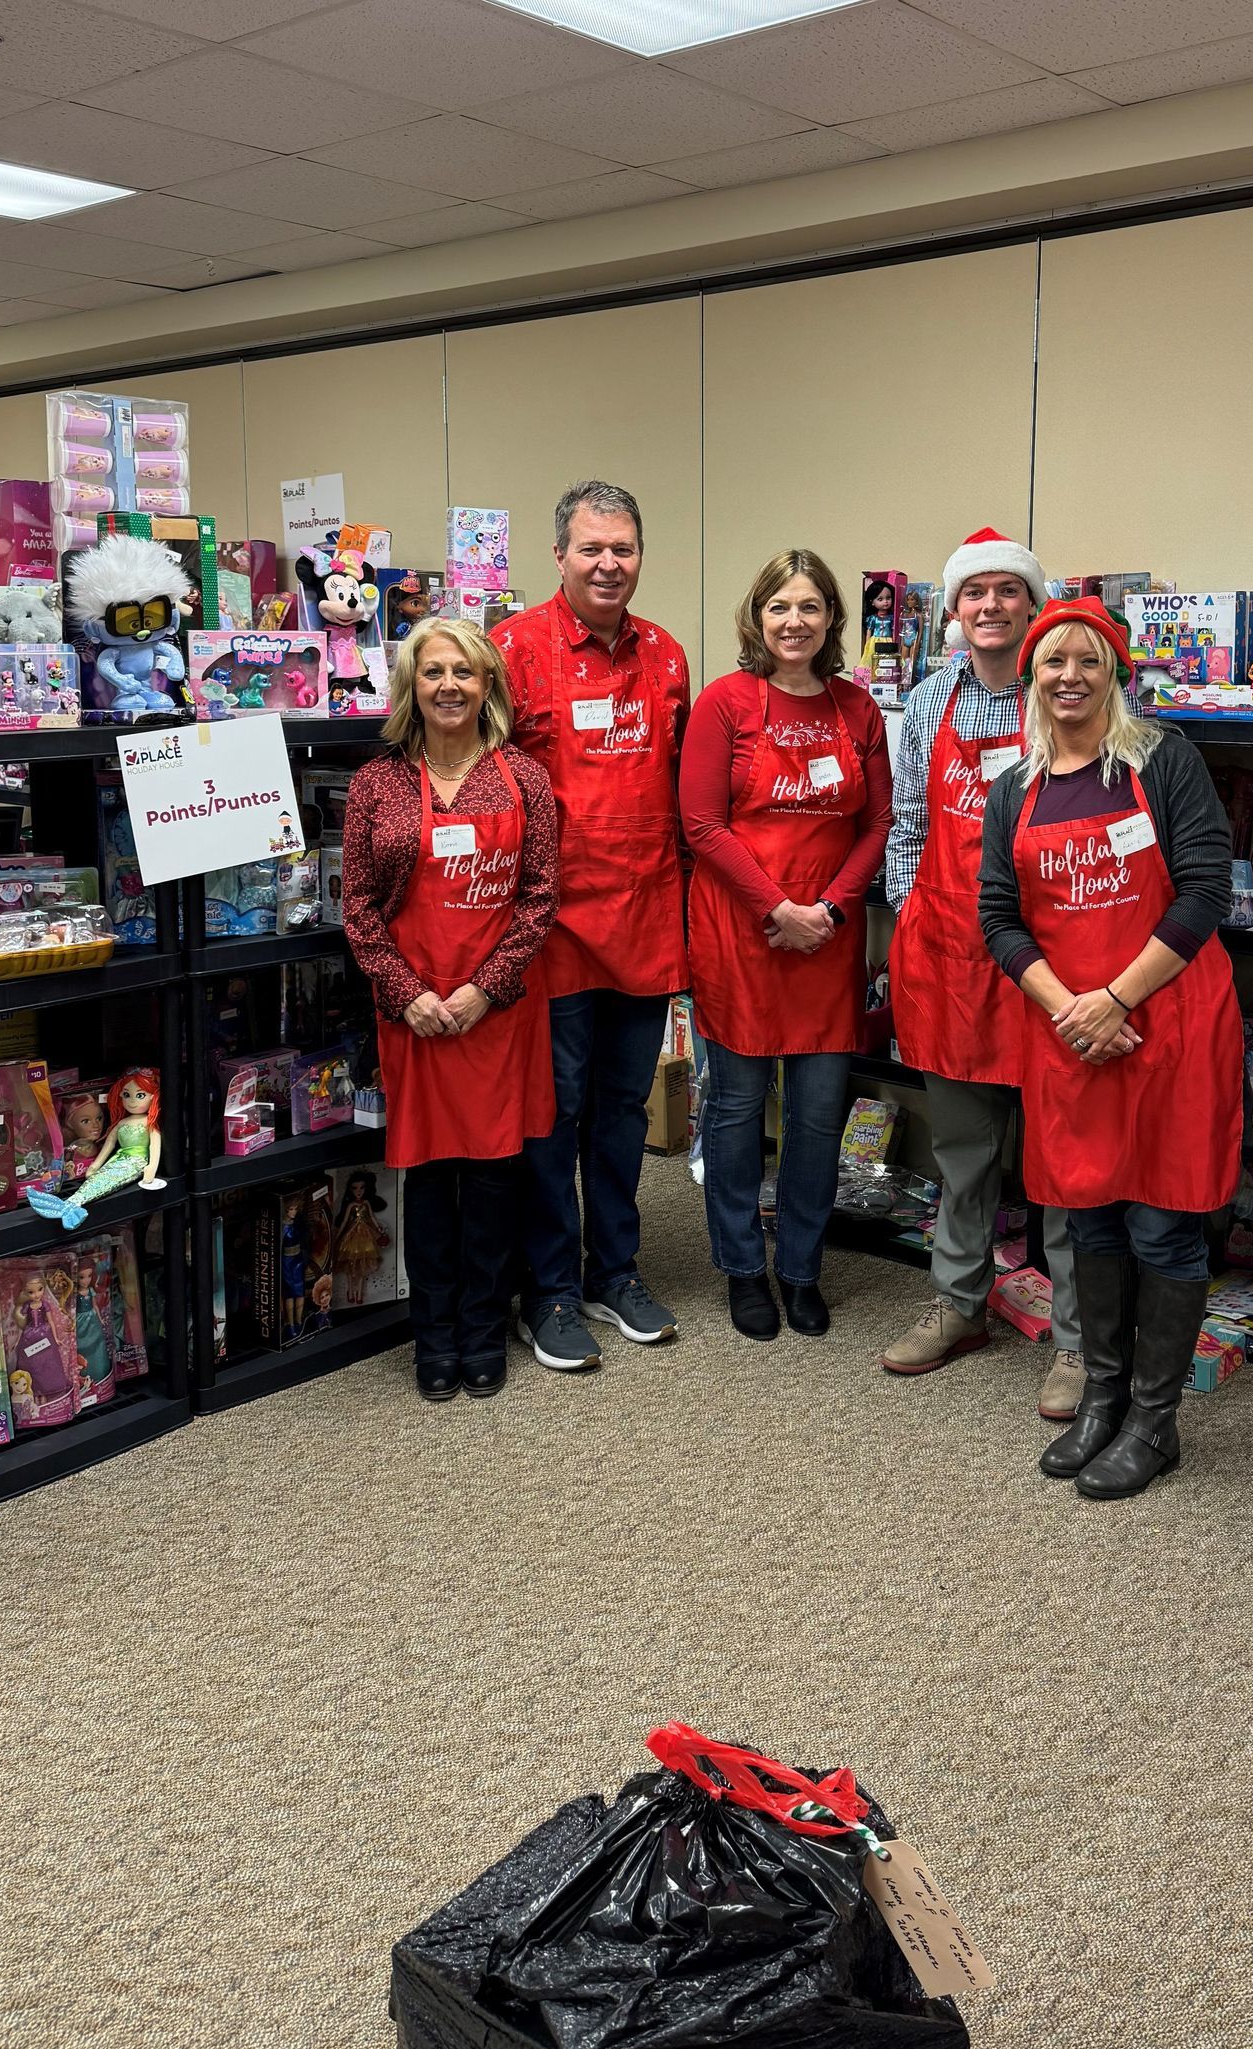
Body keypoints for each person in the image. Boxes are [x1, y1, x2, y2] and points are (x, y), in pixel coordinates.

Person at [980, 597, 1241, 1501]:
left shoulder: (1162, 762)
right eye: (1053, 661)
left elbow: (1206, 890)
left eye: (1088, 661)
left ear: (1114, 672)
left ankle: (1154, 1421)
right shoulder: (1015, 787)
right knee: (1087, 1216)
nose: (1068, 678)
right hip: (1072, 1036)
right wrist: (1069, 1010)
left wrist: (1116, 997)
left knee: (1163, 1225)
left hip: (1165, 1022)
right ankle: (1101, 1395)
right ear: (1031, 673)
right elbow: (998, 918)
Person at [879, 528, 1082, 1414]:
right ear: (953, 612)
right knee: (962, 1151)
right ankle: (960, 1304)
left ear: (1033, 606)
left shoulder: (1066, 694)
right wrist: (907, 921)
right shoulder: (927, 699)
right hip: (952, 954)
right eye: (974, 594)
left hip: (1054, 958)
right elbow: (911, 822)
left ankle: (1078, 1341)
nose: (991, 607)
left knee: (1065, 1161)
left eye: (1008, 591)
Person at [493, 483, 690, 1370]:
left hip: (646, 913)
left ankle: (615, 1269)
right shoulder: (511, 650)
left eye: (625, 548)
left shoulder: (669, 656)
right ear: (560, 556)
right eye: (592, 549)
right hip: (552, 924)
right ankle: (550, 1290)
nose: (609, 563)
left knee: (619, 1110)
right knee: (554, 1112)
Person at [342, 617, 558, 1401]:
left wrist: (482, 989)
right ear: (411, 687)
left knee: (497, 1182)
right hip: (417, 1013)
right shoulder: (376, 785)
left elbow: (539, 900)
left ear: (487, 684)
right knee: (429, 1183)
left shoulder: (524, 779)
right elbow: (359, 909)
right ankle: (433, 1334)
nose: (448, 687)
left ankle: (481, 1325)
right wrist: (411, 996)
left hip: (496, 1011)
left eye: (464, 673)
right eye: (433, 673)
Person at [681, 551, 891, 1338]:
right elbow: (702, 824)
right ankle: (741, 1268)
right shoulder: (725, 704)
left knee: (816, 1115)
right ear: (756, 617)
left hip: (827, 941)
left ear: (833, 619)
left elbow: (877, 823)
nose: (794, 621)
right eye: (779, 607)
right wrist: (778, 906)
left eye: (810, 607)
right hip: (743, 932)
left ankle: (801, 1267)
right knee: (735, 1109)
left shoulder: (857, 708)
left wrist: (831, 911)